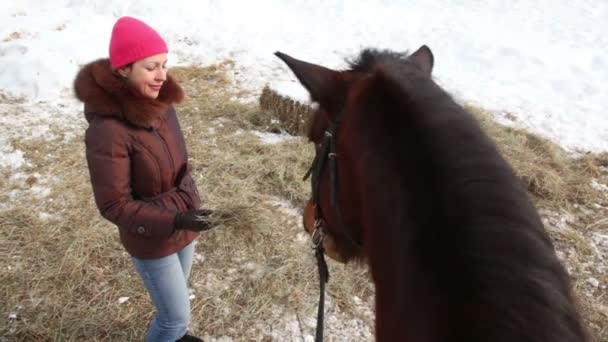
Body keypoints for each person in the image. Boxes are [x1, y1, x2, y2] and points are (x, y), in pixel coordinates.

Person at [74, 16, 214, 342]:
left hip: (183, 222)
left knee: (176, 302)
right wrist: (176, 217)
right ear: (124, 69)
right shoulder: (107, 131)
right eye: (151, 67)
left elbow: (179, 163)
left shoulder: (162, 103)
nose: (162, 76)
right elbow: (113, 204)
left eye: (164, 65)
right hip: (151, 236)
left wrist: (190, 204)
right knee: (173, 318)